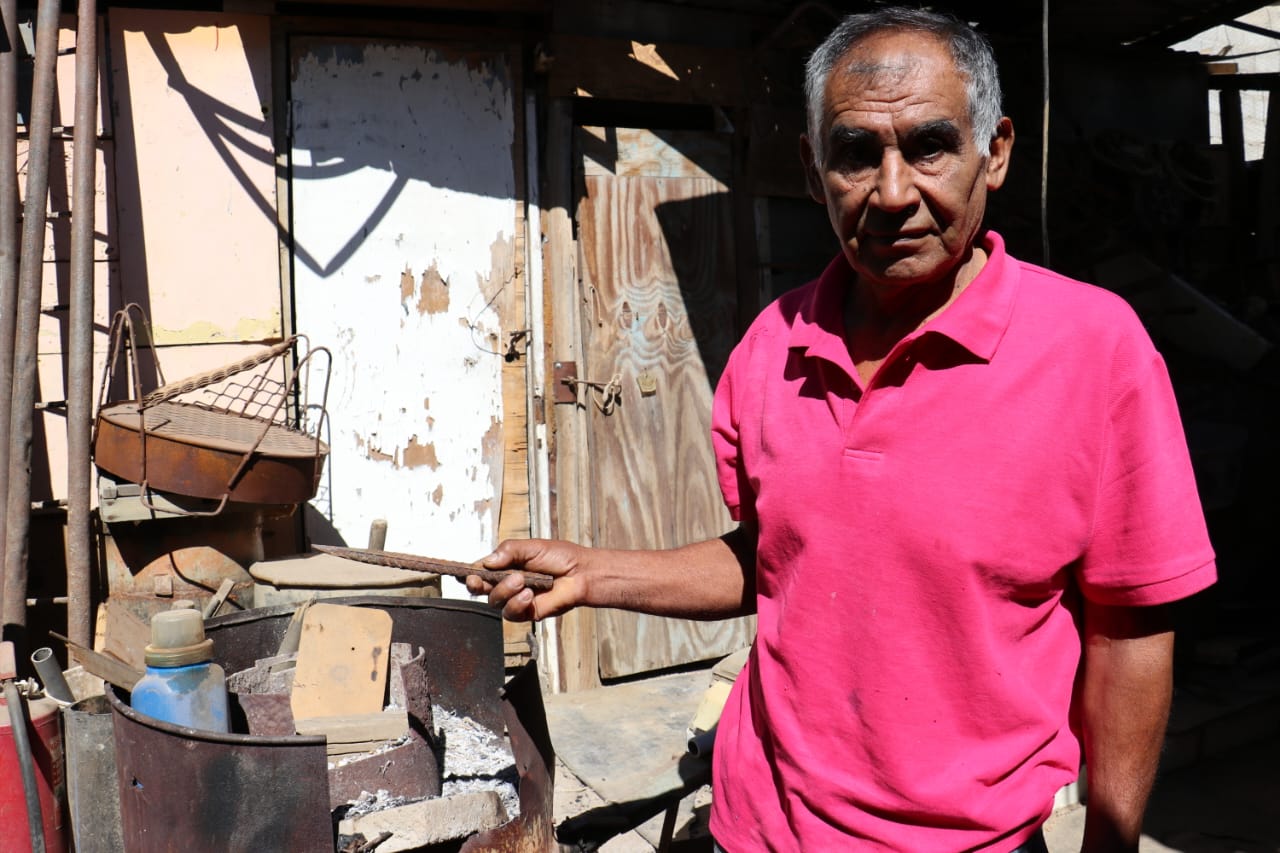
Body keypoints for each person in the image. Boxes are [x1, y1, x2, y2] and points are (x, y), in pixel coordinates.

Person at [468, 7, 1216, 851]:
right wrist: (592, 572)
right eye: (857, 154)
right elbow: (776, 555)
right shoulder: (772, 346)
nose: (893, 193)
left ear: (995, 152)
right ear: (813, 168)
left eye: (930, 146)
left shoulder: (1094, 350)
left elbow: (1132, 630)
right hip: (754, 825)